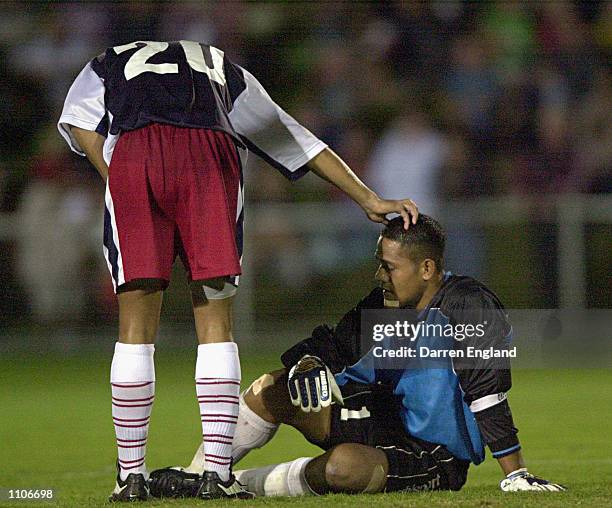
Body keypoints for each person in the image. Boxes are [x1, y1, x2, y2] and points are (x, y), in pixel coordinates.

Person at [57, 40, 418, 502]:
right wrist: (369, 197)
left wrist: (120, 175)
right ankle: (216, 473)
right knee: (214, 321)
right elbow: (292, 137)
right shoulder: (217, 63)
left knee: (134, 328)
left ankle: (130, 477)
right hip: (208, 151)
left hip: (135, 148)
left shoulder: (108, 60)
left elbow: (76, 120)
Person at [149, 215, 565, 497]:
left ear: (426, 268)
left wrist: (516, 473)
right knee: (273, 388)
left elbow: (487, 392)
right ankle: (201, 478)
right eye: (380, 265)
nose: (380, 275)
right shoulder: (383, 304)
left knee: (341, 468)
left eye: (389, 267)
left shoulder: (470, 305)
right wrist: (308, 364)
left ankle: (237, 482)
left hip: (433, 454)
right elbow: (331, 346)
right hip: (382, 415)